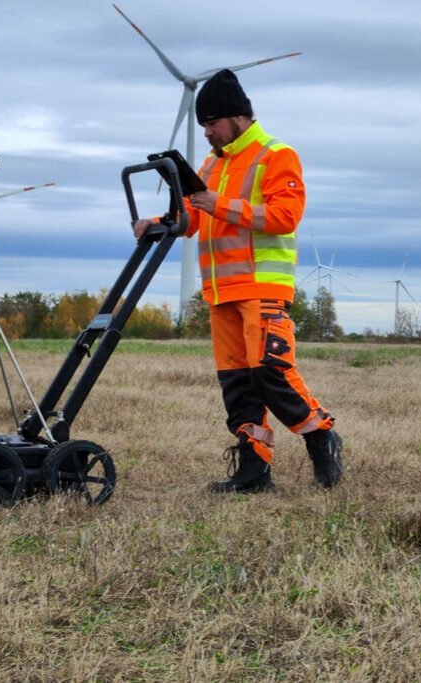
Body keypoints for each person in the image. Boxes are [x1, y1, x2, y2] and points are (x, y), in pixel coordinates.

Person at [133, 69, 343, 493]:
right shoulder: (211, 164)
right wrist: (155, 223)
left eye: (211, 123)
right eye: (203, 125)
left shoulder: (276, 155)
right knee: (238, 386)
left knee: (272, 372)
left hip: (262, 286)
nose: (207, 132)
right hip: (220, 291)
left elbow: (285, 217)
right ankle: (253, 471)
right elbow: (194, 217)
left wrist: (218, 204)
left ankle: (321, 435)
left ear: (237, 117)